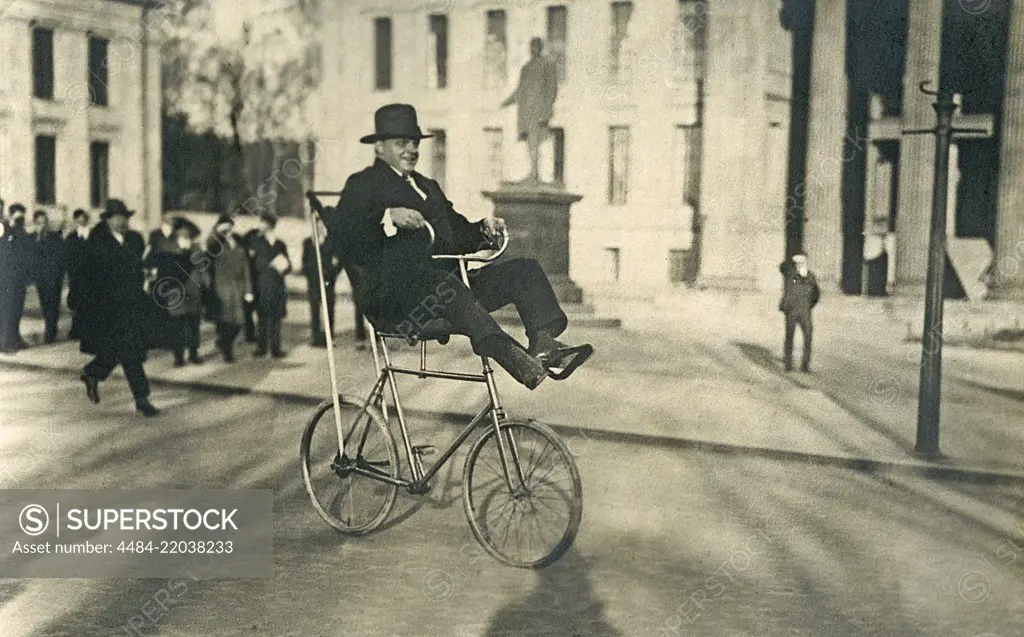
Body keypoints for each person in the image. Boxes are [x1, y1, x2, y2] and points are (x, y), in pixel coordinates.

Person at [323, 103, 592, 390]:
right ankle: (520, 364)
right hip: (395, 300)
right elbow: (343, 235)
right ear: (379, 148)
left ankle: (543, 344)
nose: (411, 150)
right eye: (401, 143)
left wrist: (483, 231)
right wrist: (387, 218)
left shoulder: (426, 186)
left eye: (414, 143)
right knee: (448, 288)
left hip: (447, 289)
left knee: (524, 270)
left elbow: (456, 232)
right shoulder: (363, 185)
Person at [77, 199, 159, 416]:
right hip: (108, 308)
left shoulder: (134, 240)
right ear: (109, 220)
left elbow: (139, 266)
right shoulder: (98, 242)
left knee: (122, 350)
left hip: (132, 305)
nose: (123, 221)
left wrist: (146, 275)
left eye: (125, 217)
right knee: (128, 351)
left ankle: (93, 372)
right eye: (118, 217)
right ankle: (142, 399)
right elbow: (87, 277)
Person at [146, 217, 207, 366]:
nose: (185, 234)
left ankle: (194, 354)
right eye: (182, 231)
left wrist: (204, 285)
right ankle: (178, 356)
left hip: (193, 290)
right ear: (177, 232)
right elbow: (157, 267)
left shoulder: (196, 248)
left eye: (188, 233)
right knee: (177, 325)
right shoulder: (167, 247)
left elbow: (203, 268)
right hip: (175, 290)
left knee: (194, 324)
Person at [501, 38, 559, 183]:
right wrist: (507, 102)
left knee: (536, 141)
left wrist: (546, 111)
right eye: (532, 46)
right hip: (526, 111)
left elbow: (552, 89)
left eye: (537, 46)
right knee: (530, 143)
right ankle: (532, 172)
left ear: (541, 48)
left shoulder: (548, 65)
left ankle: (535, 173)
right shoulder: (526, 68)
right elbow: (520, 90)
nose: (534, 49)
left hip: (538, 111)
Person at [206, 214, 254, 363]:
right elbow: (210, 245)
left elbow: (246, 266)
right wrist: (216, 231)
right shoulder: (215, 242)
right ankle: (227, 351)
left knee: (239, 322)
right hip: (221, 286)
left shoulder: (239, 241)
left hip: (237, 287)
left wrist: (248, 290)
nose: (228, 228)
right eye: (224, 226)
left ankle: (223, 343)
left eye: (230, 225)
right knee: (224, 321)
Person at [249, 213, 291, 358]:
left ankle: (275, 348)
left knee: (276, 318)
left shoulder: (280, 244)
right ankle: (261, 347)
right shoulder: (256, 242)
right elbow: (252, 265)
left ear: (270, 225)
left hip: (277, 285)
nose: (261, 225)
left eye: (263, 223)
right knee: (262, 317)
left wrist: (283, 267)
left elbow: (288, 266)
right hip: (261, 284)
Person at [778, 253, 820, 373]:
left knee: (808, 337)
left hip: (805, 311)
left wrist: (809, 306)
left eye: (802, 262)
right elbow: (782, 267)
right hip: (791, 311)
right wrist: (792, 261)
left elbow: (816, 294)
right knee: (789, 337)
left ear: (806, 262)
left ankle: (805, 365)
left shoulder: (811, 277)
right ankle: (788, 365)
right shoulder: (789, 274)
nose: (800, 264)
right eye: (797, 262)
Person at [30, 210, 65, 343]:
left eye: (44, 222)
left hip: (54, 277)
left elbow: (60, 257)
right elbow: (31, 257)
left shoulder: (54, 237)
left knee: (53, 304)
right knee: (45, 304)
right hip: (41, 278)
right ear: (35, 223)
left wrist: (58, 274)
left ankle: (51, 330)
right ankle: (50, 327)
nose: (42, 225)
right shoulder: (32, 238)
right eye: (39, 223)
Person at [0, 202, 31, 353]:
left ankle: (15, 338)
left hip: (17, 277)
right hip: (5, 277)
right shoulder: (3, 227)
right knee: (7, 310)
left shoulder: (17, 228)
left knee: (17, 309)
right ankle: (6, 343)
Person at [302, 218, 338, 348]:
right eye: (317, 226)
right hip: (313, 282)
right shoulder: (308, 242)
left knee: (328, 310)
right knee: (314, 310)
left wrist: (331, 275)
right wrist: (311, 274)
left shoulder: (331, 242)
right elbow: (304, 263)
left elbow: (336, 263)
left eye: (322, 226)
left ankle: (329, 337)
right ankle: (316, 337)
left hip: (328, 282)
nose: (319, 228)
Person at [65, 209, 91, 341]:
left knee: (90, 303)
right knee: (76, 304)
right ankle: (76, 330)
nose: (82, 220)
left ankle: (89, 331)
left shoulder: (94, 236)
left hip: (91, 277)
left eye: (84, 218)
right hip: (76, 277)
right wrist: (71, 274)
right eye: (79, 218)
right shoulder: (71, 238)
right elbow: (68, 257)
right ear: (75, 220)